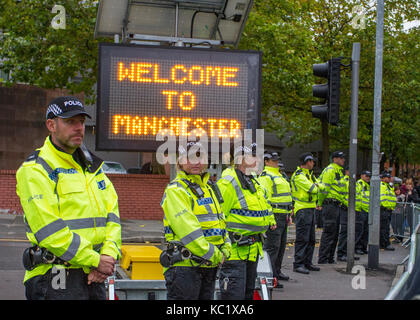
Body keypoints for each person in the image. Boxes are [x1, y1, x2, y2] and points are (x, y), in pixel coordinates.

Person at [16, 96, 121, 300]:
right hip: (56, 277)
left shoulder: (93, 168)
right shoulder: (36, 169)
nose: (79, 127)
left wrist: (107, 257)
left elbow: (113, 216)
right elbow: (50, 231)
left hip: (94, 275)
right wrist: (96, 260)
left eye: (81, 121)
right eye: (70, 121)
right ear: (51, 125)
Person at [160, 141, 231, 300]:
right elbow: (189, 232)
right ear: (180, 161)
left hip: (208, 265)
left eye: (200, 156)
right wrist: (217, 255)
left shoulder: (209, 188)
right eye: (190, 157)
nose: (196, 162)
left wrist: (226, 245)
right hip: (185, 269)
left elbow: (220, 222)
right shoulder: (176, 190)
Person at [217, 143, 276, 300]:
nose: (259, 161)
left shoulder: (252, 181)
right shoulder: (228, 183)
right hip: (235, 253)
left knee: (247, 296)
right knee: (234, 297)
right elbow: (217, 218)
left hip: (252, 251)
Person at [258, 150, 292, 283]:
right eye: (274, 160)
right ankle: (270, 276)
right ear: (266, 161)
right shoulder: (266, 176)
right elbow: (266, 199)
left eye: (277, 160)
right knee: (272, 248)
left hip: (283, 214)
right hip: (275, 215)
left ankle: (276, 272)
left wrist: (288, 213)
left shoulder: (279, 175)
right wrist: (270, 218)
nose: (277, 162)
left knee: (281, 247)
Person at [290, 152, 323, 274]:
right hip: (302, 209)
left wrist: (317, 186)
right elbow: (314, 189)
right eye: (312, 161)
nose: (313, 163)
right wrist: (317, 186)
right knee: (302, 238)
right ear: (307, 162)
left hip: (310, 208)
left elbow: (320, 187)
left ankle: (307, 262)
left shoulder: (310, 175)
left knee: (311, 239)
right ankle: (298, 264)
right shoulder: (299, 176)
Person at [317, 151, 347, 264]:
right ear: (335, 159)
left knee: (334, 233)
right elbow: (324, 189)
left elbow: (340, 191)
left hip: (336, 205)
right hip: (330, 204)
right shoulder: (330, 170)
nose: (344, 159)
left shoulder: (338, 171)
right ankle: (323, 258)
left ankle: (329, 257)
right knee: (329, 231)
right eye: (341, 158)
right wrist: (320, 203)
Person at [355, 170, 371, 254]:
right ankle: (357, 247)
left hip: (366, 210)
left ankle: (363, 247)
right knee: (359, 230)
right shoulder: (359, 184)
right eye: (366, 176)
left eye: (369, 176)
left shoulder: (367, 185)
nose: (368, 177)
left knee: (365, 231)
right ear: (361, 176)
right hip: (361, 210)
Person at [380, 171, 397, 250]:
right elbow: (382, 198)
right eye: (387, 177)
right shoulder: (382, 186)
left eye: (389, 177)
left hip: (388, 210)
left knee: (386, 228)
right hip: (384, 209)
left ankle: (384, 243)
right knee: (384, 228)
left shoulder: (389, 186)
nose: (389, 179)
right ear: (382, 178)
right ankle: (384, 244)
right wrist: (386, 207)